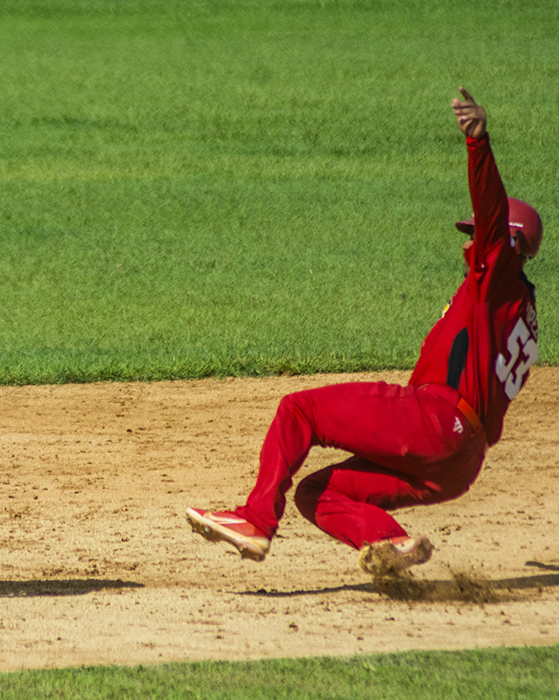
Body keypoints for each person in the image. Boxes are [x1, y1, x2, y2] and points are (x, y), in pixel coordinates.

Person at [187, 88, 542, 577]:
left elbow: (491, 213)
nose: (469, 245)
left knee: (300, 410)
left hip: (435, 421)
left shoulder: (497, 279)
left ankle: (255, 520)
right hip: (460, 464)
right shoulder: (517, 313)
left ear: (507, 244)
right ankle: (390, 544)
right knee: (318, 493)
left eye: (476, 236)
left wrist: (478, 146)